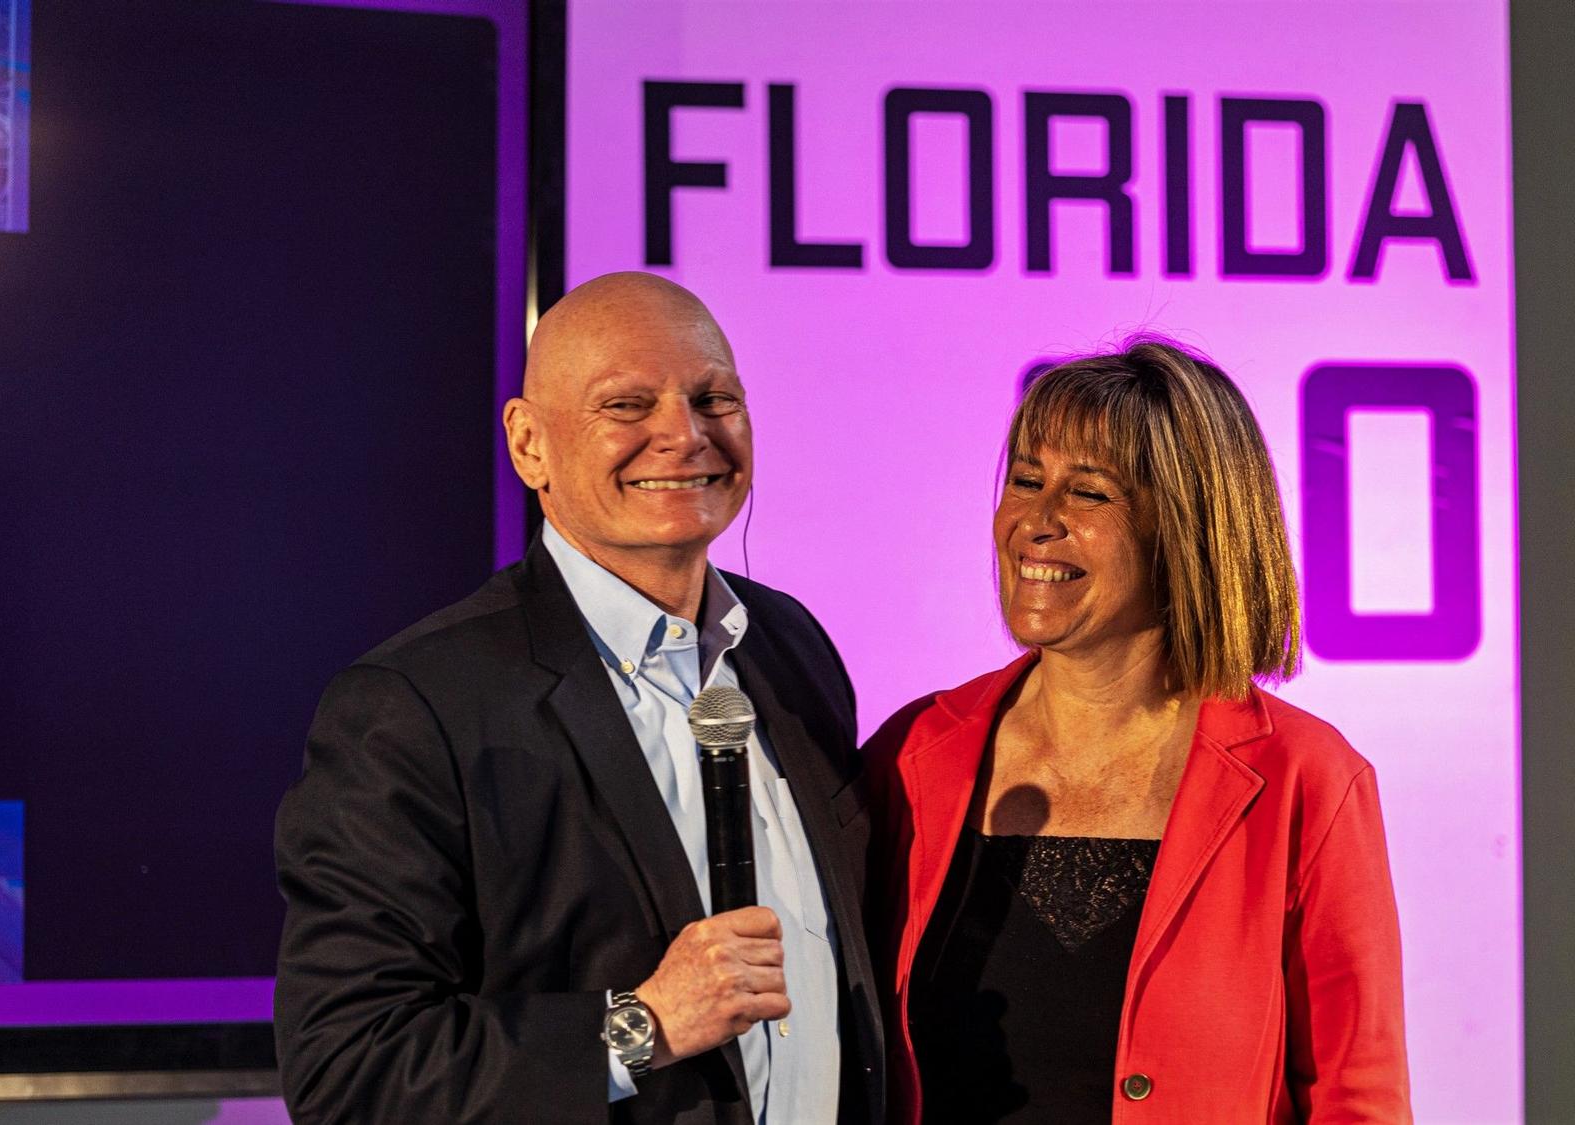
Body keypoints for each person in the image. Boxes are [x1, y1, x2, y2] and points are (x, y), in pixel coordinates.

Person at [274, 273, 883, 1125]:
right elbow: (352, 1071)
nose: (684, 433)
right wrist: (639, 1028)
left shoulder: (792, 647)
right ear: (530, 445)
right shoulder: (415, 708)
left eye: (715, 397)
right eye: (627, 406)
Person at [866, 338, 1410, 1123]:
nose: (1037, 521)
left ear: (1186, 531)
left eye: (1088, 494)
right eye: (1026, 480)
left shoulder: (1308, 777)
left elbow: (1359, 1098)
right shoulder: (916, 751)